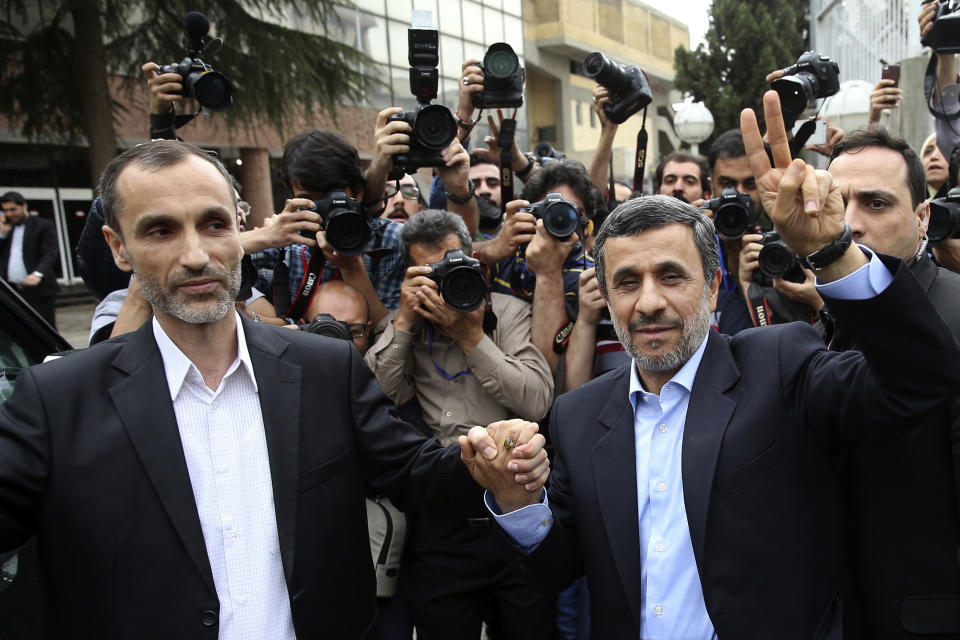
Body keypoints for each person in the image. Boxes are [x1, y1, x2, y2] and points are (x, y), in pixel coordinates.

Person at [0, 140, 550, 639]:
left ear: (238, 231)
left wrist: (488, 456)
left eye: (214, 225)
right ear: (118, 248)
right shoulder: (57, 401)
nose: (196, 254)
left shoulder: (323, 368)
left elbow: (415, 473)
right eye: (161, 230)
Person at [462, 91, 960, 638]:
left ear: (713, 284)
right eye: (627, 282)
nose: (648, 302)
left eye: (672, 276)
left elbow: (919, 380)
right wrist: (516, 503)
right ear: (603, 293)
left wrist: (833, 251)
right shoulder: (578, 417)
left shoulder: (780, 364)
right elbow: (558, 569)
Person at [366, 210, 554, 639]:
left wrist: (472, 337)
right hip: (440, 515)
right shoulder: (403, 325)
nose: (445, 279)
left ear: (474, 259)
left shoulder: (506, 313)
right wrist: (406, 321)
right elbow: (373, 398)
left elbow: (538, 399)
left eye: (454, 264)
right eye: (431, 272)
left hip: (511, 505)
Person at [825, 125, 960, 638]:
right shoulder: (823, 319)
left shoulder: (955, 311)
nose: (852, 224)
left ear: (922, 217)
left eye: (877, 203)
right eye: (838, 203)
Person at [481, 161, 605, 372]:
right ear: (529, 215)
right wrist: (494, 247)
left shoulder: (593, 279)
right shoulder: (504, 262)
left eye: (570, 212)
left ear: (586, 224)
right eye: (551, 213)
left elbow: (548, 375)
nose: (560, 221)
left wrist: (549, 271)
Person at [0, 191, 59, 327]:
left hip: (38, 289)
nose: (9, 214)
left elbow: (50, 252)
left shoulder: (43, 225)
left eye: (13, 209)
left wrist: (38, 273)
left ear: (24, 206)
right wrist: (2, 234)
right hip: (14, 289)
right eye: (6, 210)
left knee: (45, 327)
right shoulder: (9, 228)